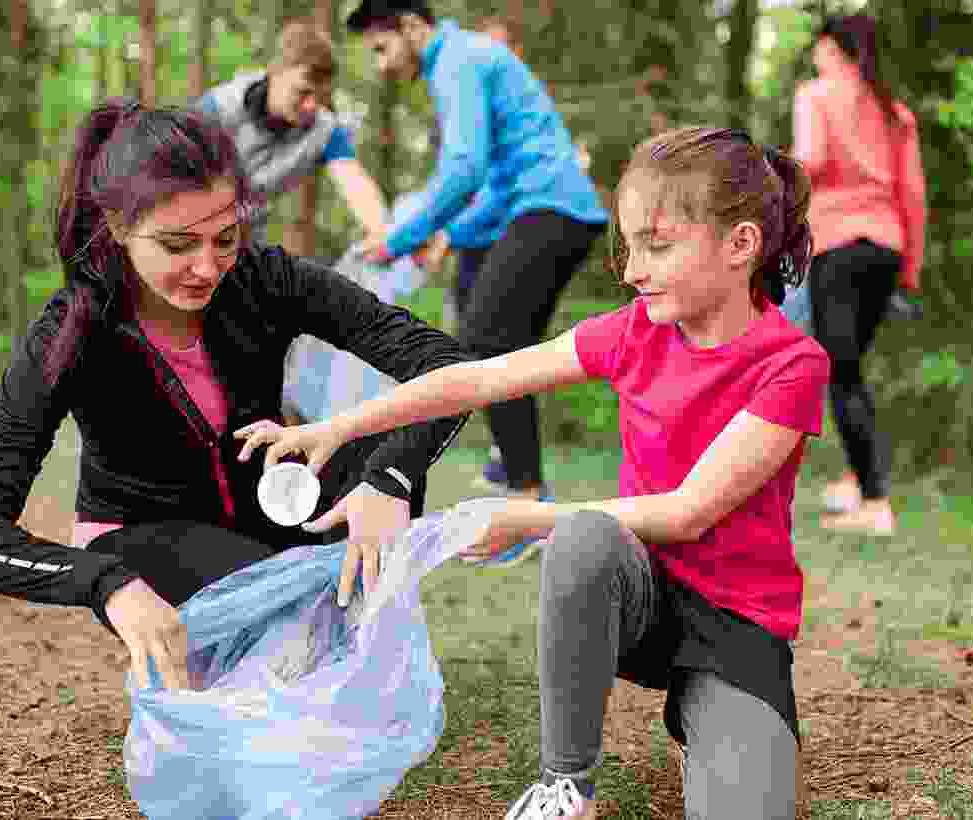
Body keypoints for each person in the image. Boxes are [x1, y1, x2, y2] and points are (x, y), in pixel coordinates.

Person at [239, 126, 829, 820]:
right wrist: (339, 427)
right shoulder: (635, 330)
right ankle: (566, 786)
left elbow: (689, 512)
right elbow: (478, 379)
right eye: (629, 247)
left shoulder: (792, 366)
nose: (633, 271)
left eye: (658, 246)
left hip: (735, 623)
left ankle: (703, 711)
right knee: (585, 537)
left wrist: (525, 518)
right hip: (635, 592)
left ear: (740, 245)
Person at [0, 100, 472, 691]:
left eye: (225, 238)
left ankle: (338, 647)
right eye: (178, 245)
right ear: (118, 227)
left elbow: (447, 367)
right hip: (145, 538)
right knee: (281, 619)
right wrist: (104, 583)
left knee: (382, 451)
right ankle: (296, 650)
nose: (208, 268)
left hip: (268, 505)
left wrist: (389, 478)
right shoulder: (73, 330)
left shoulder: (264, 278)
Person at [346, 0, 609, 556]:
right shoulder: (466, 59)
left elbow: (465, 169)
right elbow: (492, 178)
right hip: (536, 209)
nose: (382, 64)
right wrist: (449, 234)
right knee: (490, 342)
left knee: (488, 342)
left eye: (382, 48)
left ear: (412, 27)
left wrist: (400, 237)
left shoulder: (457, 60)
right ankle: (515, 476)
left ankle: (527, 502)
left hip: (551, 208)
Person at [792, 14, 925, 536]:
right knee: (850, 366)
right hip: (885, 250)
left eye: (820, 47)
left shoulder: (816, 96)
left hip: (838, 245)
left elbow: (810, 160)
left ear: (833, 49)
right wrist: (910, 269)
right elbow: (912, 194)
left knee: (841, 371)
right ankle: (857, 478)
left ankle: (874, 504)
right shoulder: (894, 111)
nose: (815, 57)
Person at [197, 19, 391, 247]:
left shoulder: (324, 129)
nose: (312, 106)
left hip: (246, 240)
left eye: (321, 96)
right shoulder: (218, 109)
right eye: (302, 92)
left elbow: (354, 181)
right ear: (275, 71)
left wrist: (384, 233)